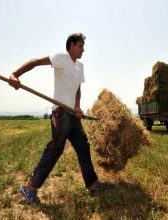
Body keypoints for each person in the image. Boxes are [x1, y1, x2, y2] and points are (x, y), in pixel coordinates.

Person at [9, 33, 110, 204]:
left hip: (72, 114)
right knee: (56, 149)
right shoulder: (61, 58)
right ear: (71, 45)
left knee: (83, 146)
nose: (83, 49)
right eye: (80, 45)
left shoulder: (80, 66)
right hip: (61, 112)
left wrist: (77, 106)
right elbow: (35, 62)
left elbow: (78, 88)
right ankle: (29, 188)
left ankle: (93, 185)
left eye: (83, 46)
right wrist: (15, 74)